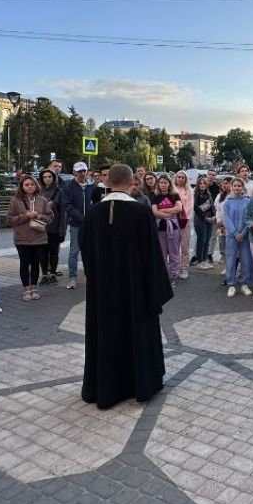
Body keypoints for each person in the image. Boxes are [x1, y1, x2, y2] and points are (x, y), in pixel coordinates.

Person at [80, 164, 172, 410]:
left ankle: (105, 388)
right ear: (133, 181)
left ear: (107, 180)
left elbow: (86, 255)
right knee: (137, 334)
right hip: (136, 291)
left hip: (104, 293)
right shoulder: (141, 213)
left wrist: (98, 278)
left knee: (106, 336)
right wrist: (157, 292)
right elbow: (153, 256)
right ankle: (140, 385)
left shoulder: (93, 213)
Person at [7, 175, 53, 302]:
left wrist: (39, 215)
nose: (29, 187)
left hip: (39, 238)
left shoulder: (42, 200)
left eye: (32, 184)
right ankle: (26, 289)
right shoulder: (15, 200)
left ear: (36, 185)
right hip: (22, 238)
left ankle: (34, 287)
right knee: (24, 263)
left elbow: (50, 217)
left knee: (35, 263)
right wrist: (25, 216)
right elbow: (10, 220)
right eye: (26, 185)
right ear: (22, 186)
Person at [62, 161, 95, 289]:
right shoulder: (68, 187)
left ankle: (91, 276)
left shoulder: (92, 186)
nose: (82, 173)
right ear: (74, 172)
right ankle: (72, 278)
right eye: (79, 171)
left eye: (84, 170)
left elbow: (97, 202)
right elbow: (68, 206)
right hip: (76, 224)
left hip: (91, 224)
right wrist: (82, 218)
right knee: (74, 251)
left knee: (90, 251)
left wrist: (91, 217)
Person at [222, 177, 253, 297]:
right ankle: (231, 284)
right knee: (230, 260)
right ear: (231, 187)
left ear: (243, 188)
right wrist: (235, 233)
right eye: (234, 186)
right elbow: (227, 219)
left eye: (239, 186)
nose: (236, 188)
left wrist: (243, 232)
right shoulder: (227, 202)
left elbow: (249, 218)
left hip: (244, 235)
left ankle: (244, 283)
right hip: (231, 236)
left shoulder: (247, 201)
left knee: (246, 259)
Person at [151, 174, 182, 283]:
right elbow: (154, 212)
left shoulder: (175, 195)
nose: (163, 185)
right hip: (160, 228)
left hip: (173, 228)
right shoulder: (155, 196)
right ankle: (164, 275)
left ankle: (174, 274)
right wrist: (169, 212)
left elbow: (179, 208)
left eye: (165, 182)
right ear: (158, 184)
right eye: (161, 183)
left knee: (173, 253)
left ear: (169, 183)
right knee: (162, 254)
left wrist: (162, 212)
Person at [38, 169, 66, 285]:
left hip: (54, 228)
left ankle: (53, 274)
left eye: (49, 176)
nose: (47, 179)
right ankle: (44, 274)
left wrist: (62, 230)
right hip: (41, 228)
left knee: (54, 252)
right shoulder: (38, 192)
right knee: (42, 252)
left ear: (53, 178)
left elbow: (63, 212)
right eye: (45, 177)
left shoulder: (59, 192)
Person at [173, 170, 194, 279]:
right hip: (172, 220)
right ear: (175, 178)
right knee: (173, 246)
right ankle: (175, 267)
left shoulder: (189, 190)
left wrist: (183, 218)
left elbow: (189, 207)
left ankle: (184, 268)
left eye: (183, 177)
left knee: (184, 246)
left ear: (185, 179)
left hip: (184, 221)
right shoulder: (172, 190)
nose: (180, 179)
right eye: (178, 177)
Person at [192, 174, 216, 269]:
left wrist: (213, 216)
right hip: (200, 219)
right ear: (198, 185)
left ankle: (205, 260)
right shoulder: (196, 194)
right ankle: (199, 261)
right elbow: (196, 208)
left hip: (209, 220)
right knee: (201, 240)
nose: (202, 185)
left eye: (204, 183)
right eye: (200, 183)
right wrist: (205, 218)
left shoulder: (208, 194)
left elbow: (212, 207)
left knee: (207, 240)